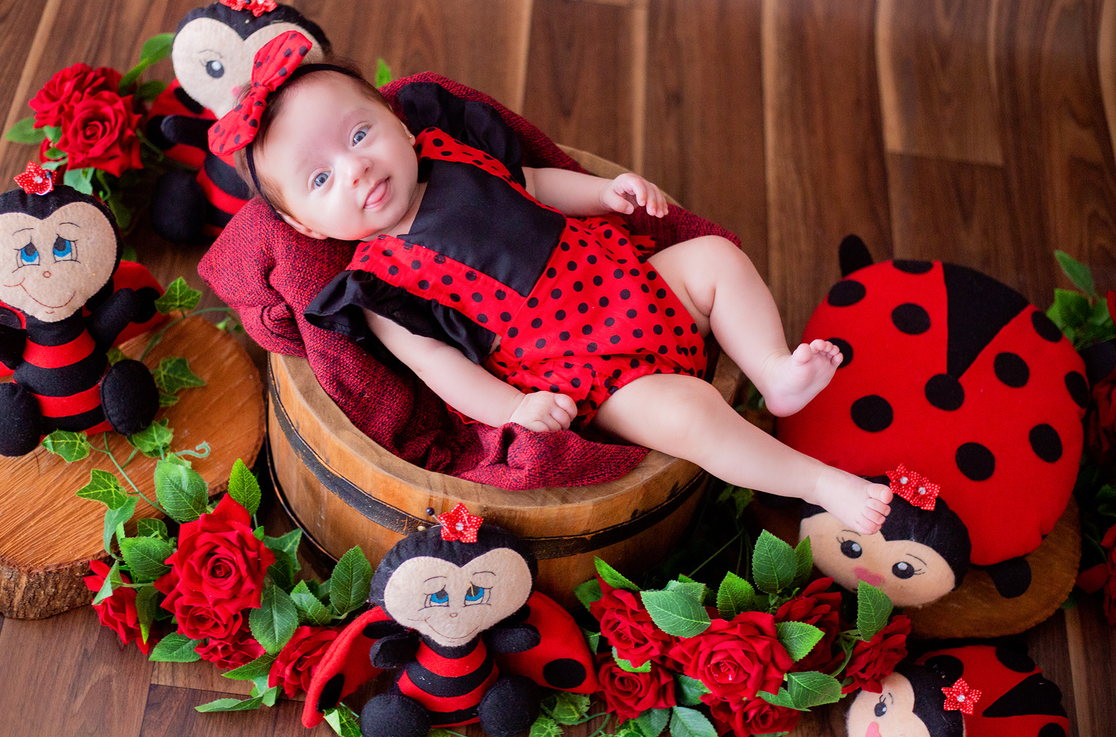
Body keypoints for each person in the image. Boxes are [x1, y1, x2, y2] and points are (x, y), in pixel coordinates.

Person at [207, 31, 892, 535]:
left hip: (634, 282)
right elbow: (441, 366)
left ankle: (773, 371)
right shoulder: (377, 283)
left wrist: (605, 193)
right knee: (690, 417)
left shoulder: (453, 153)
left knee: (713, 258)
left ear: (402, 127)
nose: (354, 170)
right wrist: (514, 411)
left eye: (359, 135)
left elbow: (536, 183)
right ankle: (817, 482)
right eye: (321, 179)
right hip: (590, 372)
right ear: (308, 228)